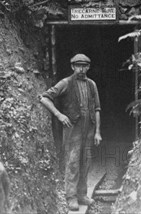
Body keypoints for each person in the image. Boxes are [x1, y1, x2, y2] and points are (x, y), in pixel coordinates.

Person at [40, 54, 102, 211]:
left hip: (88, 129)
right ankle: (71, 197)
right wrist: (59, 115)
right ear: (72, 67)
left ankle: (82, 195)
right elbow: (45, 98)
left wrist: (97, 132)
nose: (81, 69)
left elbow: (97, 109)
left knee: (85, 162)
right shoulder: (65, 83)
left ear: (88, 67)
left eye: (84, 66)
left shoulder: (92, 84)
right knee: (73, 162)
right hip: (72, 129)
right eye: (78, 66)